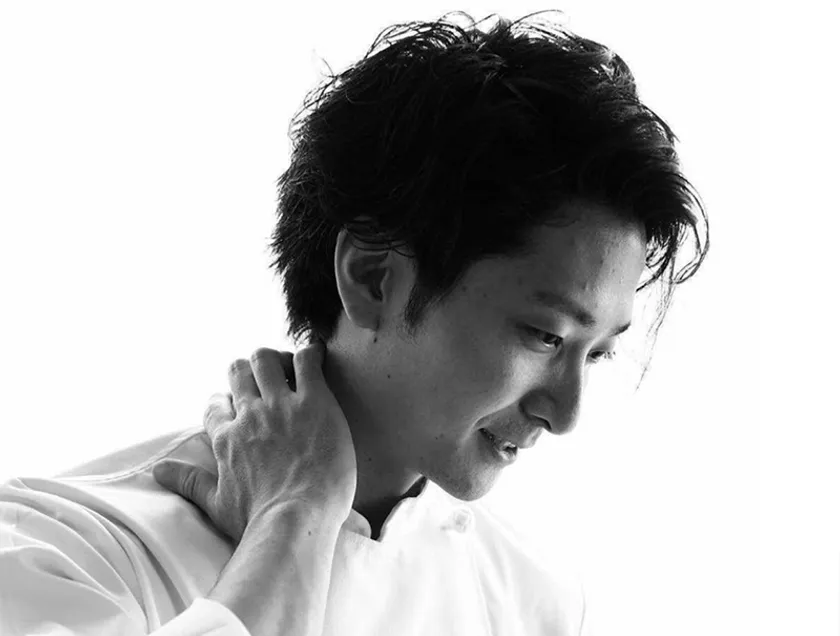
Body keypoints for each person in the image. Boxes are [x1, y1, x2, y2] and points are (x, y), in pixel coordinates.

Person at [0, 11, 708, 636]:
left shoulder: (531, 599)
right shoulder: (61, 549)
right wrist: (296, 515)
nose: (567, 412)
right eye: (545, 335)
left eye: (597, 353)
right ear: (372, 279)